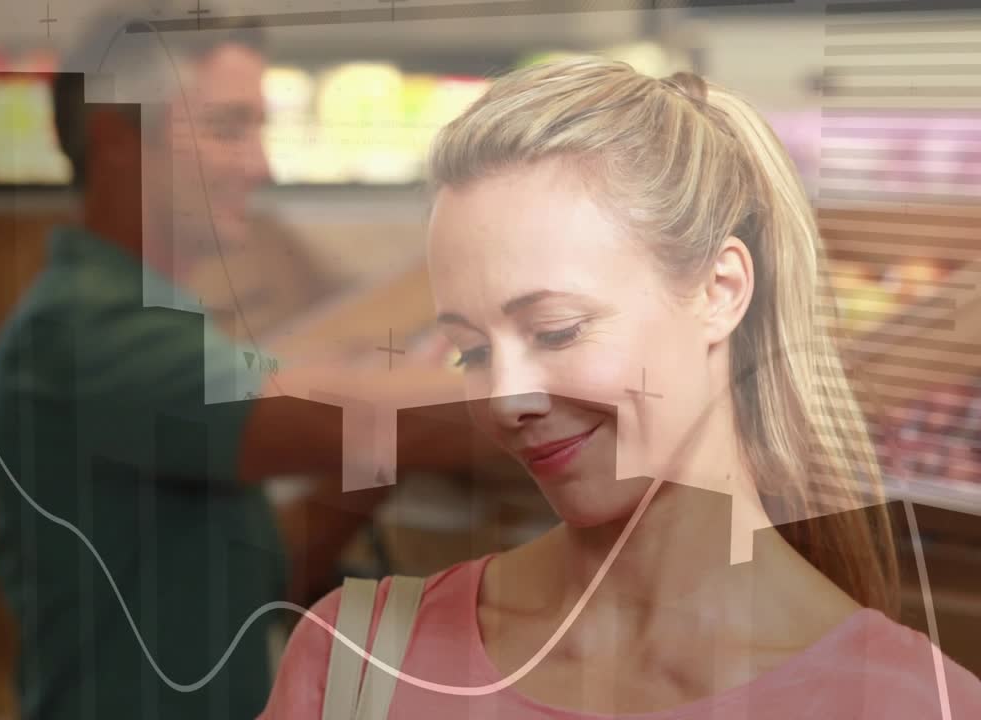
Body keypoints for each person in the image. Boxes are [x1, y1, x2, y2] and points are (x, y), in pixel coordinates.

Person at [259, 57, 981, 718]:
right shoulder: (358, 659)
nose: (506, 399)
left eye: (558, 331)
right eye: (471, 352)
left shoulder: (911, 703)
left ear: (720, 290)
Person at [0, 16, 466, 720]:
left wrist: (396, 436)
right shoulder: (83, 332)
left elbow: (258, 580)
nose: (260, 165)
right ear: (118, 141)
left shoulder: (152, 321)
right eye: (228, 129)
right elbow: (321, 408)